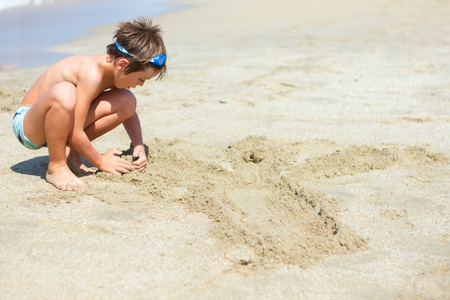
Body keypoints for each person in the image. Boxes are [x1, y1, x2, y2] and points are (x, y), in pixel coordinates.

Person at [12, 17, 167, 191]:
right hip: (29, 126)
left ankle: (70, 151)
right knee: (65, 92)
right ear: (122, 65)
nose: (141, 84)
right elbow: (75, 130)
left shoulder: (114, 72)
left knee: (127, 100)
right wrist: (100, 161)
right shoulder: (91, 74)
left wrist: (137, 143)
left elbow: (128, 112)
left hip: (62, 125)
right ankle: (56, 166)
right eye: (141, 78)